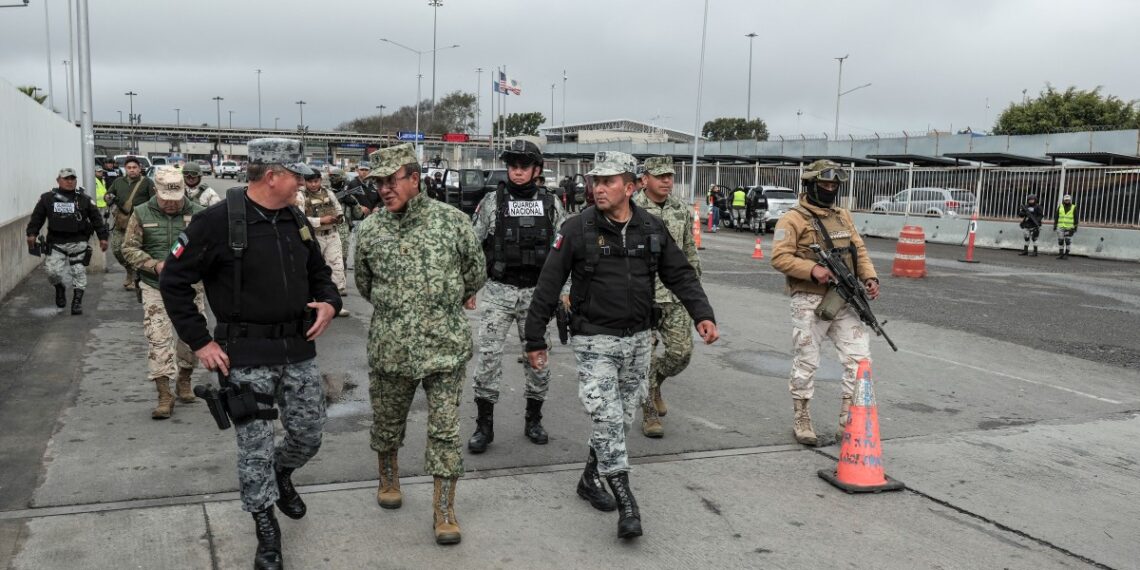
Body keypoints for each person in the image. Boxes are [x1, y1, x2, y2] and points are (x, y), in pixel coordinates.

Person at [160, 138, 340, 570]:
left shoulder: (295, 218)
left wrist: (329, 301)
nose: (303, 181)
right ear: (272, 175)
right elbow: (174, 282)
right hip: (245, 356)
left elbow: (320, 273)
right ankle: (266, 529)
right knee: (254, 447)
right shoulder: (216, 223)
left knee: (309, 434)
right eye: (295, 174)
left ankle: (282, 474)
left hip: (297, 349)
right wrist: (201, 341)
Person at [524, 151, 718, 540]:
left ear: (629, 187)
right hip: (594, 339)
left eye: (608, 181)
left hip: (639, 341)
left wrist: (702, 313)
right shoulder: (577, 228)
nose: (597, 187)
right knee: (608, 418)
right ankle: (627, 500)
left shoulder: (651, 228)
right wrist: (534, 337)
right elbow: (548, 283)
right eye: (595, 180)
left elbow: (679, 274)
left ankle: (589, 478)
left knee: (622, 416)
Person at [354, 143, 485, 545]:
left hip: (444, 345)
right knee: (387, 420)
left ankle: (444, 509)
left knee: (445, 430)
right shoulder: (372, 228)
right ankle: (388, 477)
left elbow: (475, 271)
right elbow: (364, 282)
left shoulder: (452, 221)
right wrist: (399, 309)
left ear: (414, 178)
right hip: (391, 346)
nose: (384, 189)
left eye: (392, 180)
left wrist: (439, 303)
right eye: (378, 182)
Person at [467, 140, 568, 454]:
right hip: (499, 291)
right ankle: (484, 426)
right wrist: (469, 288)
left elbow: (564, 253)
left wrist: (563, 294)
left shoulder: (552, 204)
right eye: (512, 165)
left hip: (536, 295)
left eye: (524, 166)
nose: (517, 171)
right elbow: (472, 246)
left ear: (536, 169)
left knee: (538, 360)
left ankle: (533, 419)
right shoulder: (492, 202)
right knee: (487, 359)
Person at [769, 160, 880, 446]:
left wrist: (869, 276)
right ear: (810, 185)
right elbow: (779, 257)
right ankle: (802, 416)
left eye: (834, 185)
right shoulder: (792, 219)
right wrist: (812, 270)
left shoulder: (843, 216)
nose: (830, 189)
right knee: (807, 360)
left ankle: (848, 420)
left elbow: (859, 250)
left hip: (845, 297)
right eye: (825, 185)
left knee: (860, 360)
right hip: (809, 298)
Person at [121, 167, 206, 419]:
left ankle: (184, 379)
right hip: (154, 285)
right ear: (156, 192)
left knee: (193, 338)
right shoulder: (141, 213)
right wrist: (153, 264)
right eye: (166, 199)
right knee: (158, 338)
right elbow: (129, 249)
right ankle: (164, 394)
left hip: (190, 286)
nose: (171, 204)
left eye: (176, 199)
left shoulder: (199, 214)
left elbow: (211, 249)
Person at [631, 156, 701, 438]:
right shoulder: (631, 208)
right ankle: (648, 412)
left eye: (669, 176)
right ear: (644, 179)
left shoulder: (680, 209)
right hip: (641, 295)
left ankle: (655, 382)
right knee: (643, 357)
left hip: (674, 294)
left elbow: (689, 250)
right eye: (660, 176)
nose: (666, 181)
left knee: (681, 353)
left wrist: (695, 288)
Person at [25, 167, 109, 314]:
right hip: (56, 242)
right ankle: (60, 287)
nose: (70, 182)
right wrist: (32, 233)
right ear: (58, 180)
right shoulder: (47, 198)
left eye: (72, 179)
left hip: (78, 241)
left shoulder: (84, 199)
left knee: (78, 271)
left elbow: (96, 219)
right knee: (52, 272)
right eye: (66, 179)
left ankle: (77, 302)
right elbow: (37, 217)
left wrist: (103, 237)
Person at [295, 169, 349, 314]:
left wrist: (339, 217)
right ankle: (313, 303)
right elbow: (300, 219)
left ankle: (335, 304)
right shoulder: (300, 196)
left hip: (332, 234)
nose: (313, 184)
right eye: (310, 181)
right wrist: (321, 220)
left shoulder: (329, 193)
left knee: (337, 268)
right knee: (314, 270)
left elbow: (338, 208)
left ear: (320, 180)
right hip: (314, 237)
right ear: (305, 182)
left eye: (316, 181)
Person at [105, 157, 156, 290]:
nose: (132, 170)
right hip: (121, 222)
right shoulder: (118, 182)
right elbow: (109, 194)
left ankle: (136, 276)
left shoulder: (147, 182)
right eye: (129, 168)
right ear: (125, 169)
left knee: (137, 250)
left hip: (139, 223)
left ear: (139, 169)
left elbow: (154, 201)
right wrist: (108, 197)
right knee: (116, 249)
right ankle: (130, 270)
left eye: (134, 167)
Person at [1054, 193, 1078, 259]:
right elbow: (1056, 216)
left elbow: (1076, 218)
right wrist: (1055, 225)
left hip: (1069, 227)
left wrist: (1075, 227)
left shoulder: (1073, 207)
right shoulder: (1060, 206)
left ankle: (1066, 254)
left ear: (1070, 200)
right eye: (1065, 200)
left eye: (1068, 200)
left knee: (1067, 241)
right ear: (1063, 200)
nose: (1067, 201)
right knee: (1060, 241)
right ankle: (1061, 254)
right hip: (1060, 226)